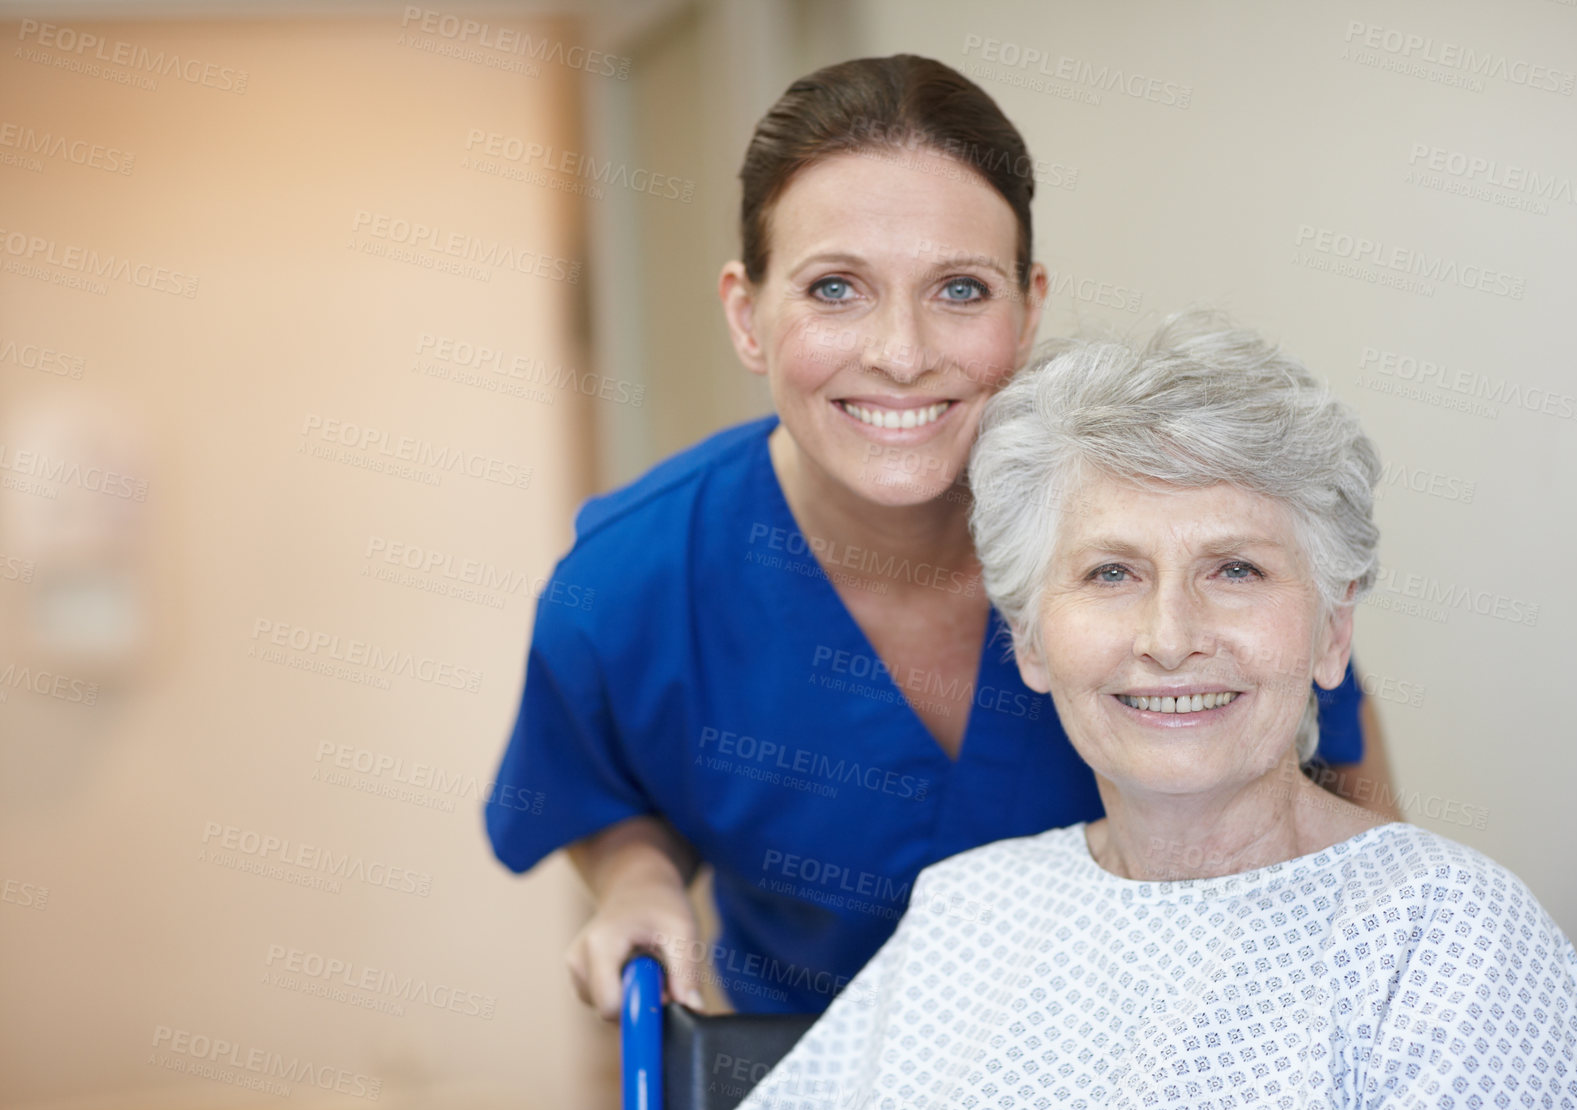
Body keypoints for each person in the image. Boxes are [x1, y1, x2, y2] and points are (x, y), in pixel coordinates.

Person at [485, 55, 1395, 1020]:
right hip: (811, 1082)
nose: (904, 354)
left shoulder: (1153, 520)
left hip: (1163, 1060)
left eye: (960, 290)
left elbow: (1343, 786)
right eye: (836, 288)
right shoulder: (633, 581)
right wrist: (638, 882)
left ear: (1029, 306)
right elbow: (596, 787)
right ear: (747, 316)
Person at [700, 318, 1577, 1110]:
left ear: (1332, 632)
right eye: (1111, 574)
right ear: (1028, 637)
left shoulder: (1445, 942)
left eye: (1235, 569)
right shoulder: (967, 911)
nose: (1170, 637)